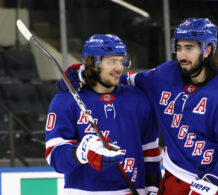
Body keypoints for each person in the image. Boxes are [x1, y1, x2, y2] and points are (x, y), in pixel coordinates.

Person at [57, 18, 218, 195]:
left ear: (207, 50)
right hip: (175, 178)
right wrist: (83, 72)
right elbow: (119, 79)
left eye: (189, 48)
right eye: (179, 48)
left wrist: (216, 178)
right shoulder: (165, 75)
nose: (182, 55)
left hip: (215, 186)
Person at [45, 34, 161, 195]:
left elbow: (150, 153)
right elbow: (54, 157)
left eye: (121, 61)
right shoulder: (66, 101)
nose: (119, 68)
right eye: (112, 61)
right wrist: (82, 151)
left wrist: (153, 189)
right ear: (92, 64)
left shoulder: (138, 99)